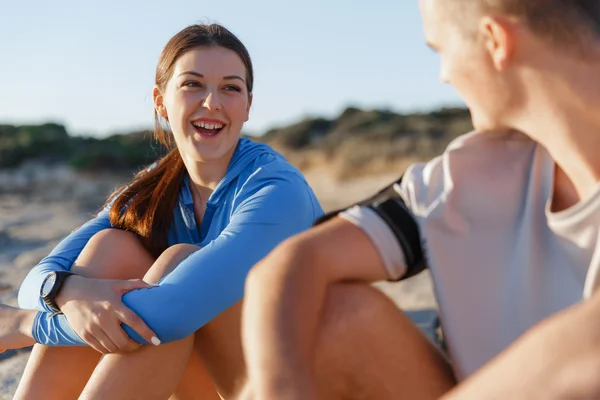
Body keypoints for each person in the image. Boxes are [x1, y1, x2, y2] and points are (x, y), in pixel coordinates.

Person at [238, 0, 600, 399]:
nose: (443, 76)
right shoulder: (467, 174)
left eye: (439, 50)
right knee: (333, 317)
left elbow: (585, 351)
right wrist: (281, 386)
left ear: (495, 42)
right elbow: (294, 264)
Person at [0, 23, 323, 399]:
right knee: (110, 249)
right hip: (215, 384)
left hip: (297, 385)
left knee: (178, 261)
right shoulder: (155, 186)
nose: (212, 103)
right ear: (160, 100)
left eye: (231, 88)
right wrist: (69, 290)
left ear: (248, 105)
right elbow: (38, 281)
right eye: (193, 84)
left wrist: (25, 324)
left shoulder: (276, 190)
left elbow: (170, 314)